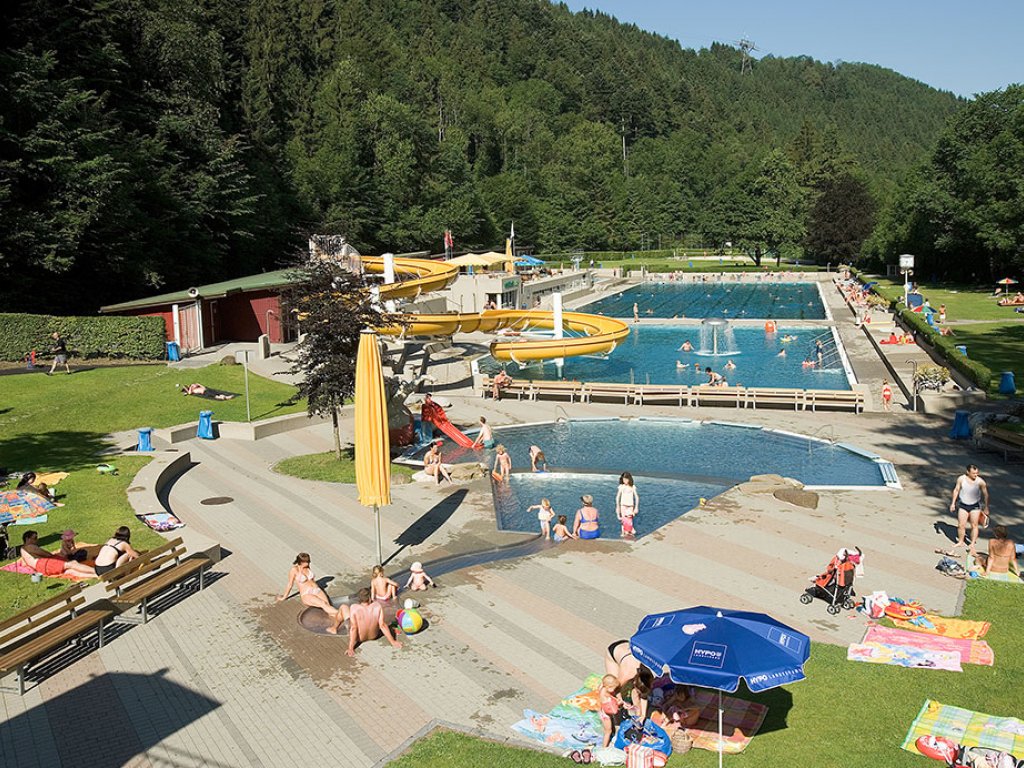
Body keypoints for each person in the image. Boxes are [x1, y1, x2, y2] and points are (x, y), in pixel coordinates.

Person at [278, 552, 342, 620]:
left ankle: (340, 619)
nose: (308, 563)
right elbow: (290, 584)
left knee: (328, 605)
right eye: (306, 562)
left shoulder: (307, 567)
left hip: (316, 589)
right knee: (323, 604)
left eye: (308, 561)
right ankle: (344, 615)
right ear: (301, 562)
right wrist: (284, 597)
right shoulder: (294, 570)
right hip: (306, 594)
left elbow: (311, 580)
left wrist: (316, 586)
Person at [344, 588, 403, 656]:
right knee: (384, 623)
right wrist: (393, 641)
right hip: (374, 636)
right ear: (369, 598)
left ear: (359, 599)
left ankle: (334, 628)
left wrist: (350, 648)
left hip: (359, 638)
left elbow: (354, 628)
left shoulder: (354, 608)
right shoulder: (377, 606)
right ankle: (392, 629)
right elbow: (382, 625)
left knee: (343, 608)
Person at [19, 531, 96, 578]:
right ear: (27, 539)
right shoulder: (30, 547)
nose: (37, 540)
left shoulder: (23, 549)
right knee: (72, 564)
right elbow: (47, 554)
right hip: (43, 564)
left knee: (69, 571)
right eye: (35, 538)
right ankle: (97, 571)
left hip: (41, 569)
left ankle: (95, 575)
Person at [950, 464, 990, 554]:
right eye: (973, 473)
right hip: (963, 505)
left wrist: (986, 507)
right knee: (961, 525)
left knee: (974, 525)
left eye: (977, 473)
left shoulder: (980, 482)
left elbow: (986, 494)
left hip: (975, 506)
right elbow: (956, 490)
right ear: (968, 472)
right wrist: (953, 503)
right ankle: (960, 541)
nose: (975, 475)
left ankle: (972, 543)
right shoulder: (961, 479)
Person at [597, 674, 625, 748]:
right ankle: (604, 747)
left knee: (609, 729)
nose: (615, 690)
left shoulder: (603, 688)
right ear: (608, 687)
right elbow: (614, 710)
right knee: (608, 731)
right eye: (614, 688)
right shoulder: (605, 695)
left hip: (603, 710)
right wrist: (619, 702)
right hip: (604, 715)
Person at [615, 472, 639, 537]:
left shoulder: (632, 487)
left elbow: (636, 497)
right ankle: (624, 531)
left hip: (630, 505)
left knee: (629, 518)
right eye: (624, 479)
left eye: (626, 479)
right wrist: (617, 506)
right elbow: (618, 497)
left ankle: (630, 530)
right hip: (623, 505)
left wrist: (636, 507)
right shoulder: (621, 487)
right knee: (623, 519)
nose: (625, 481)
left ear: (629, 479)